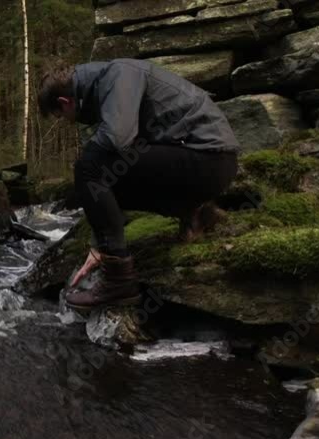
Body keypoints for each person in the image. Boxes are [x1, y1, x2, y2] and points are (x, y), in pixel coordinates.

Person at [37, 59, 241, 311]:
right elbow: (110, 183)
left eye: (61, 117)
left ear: (64, 102)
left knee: (88, 165)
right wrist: (99, 244)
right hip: (206, 163)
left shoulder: (119, 74)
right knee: (104, 173)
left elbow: (116, 139)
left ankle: (118, 281)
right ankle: (196, 212)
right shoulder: (111, 87)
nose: (67, 121)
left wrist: (106, 246)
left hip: (208, 159)